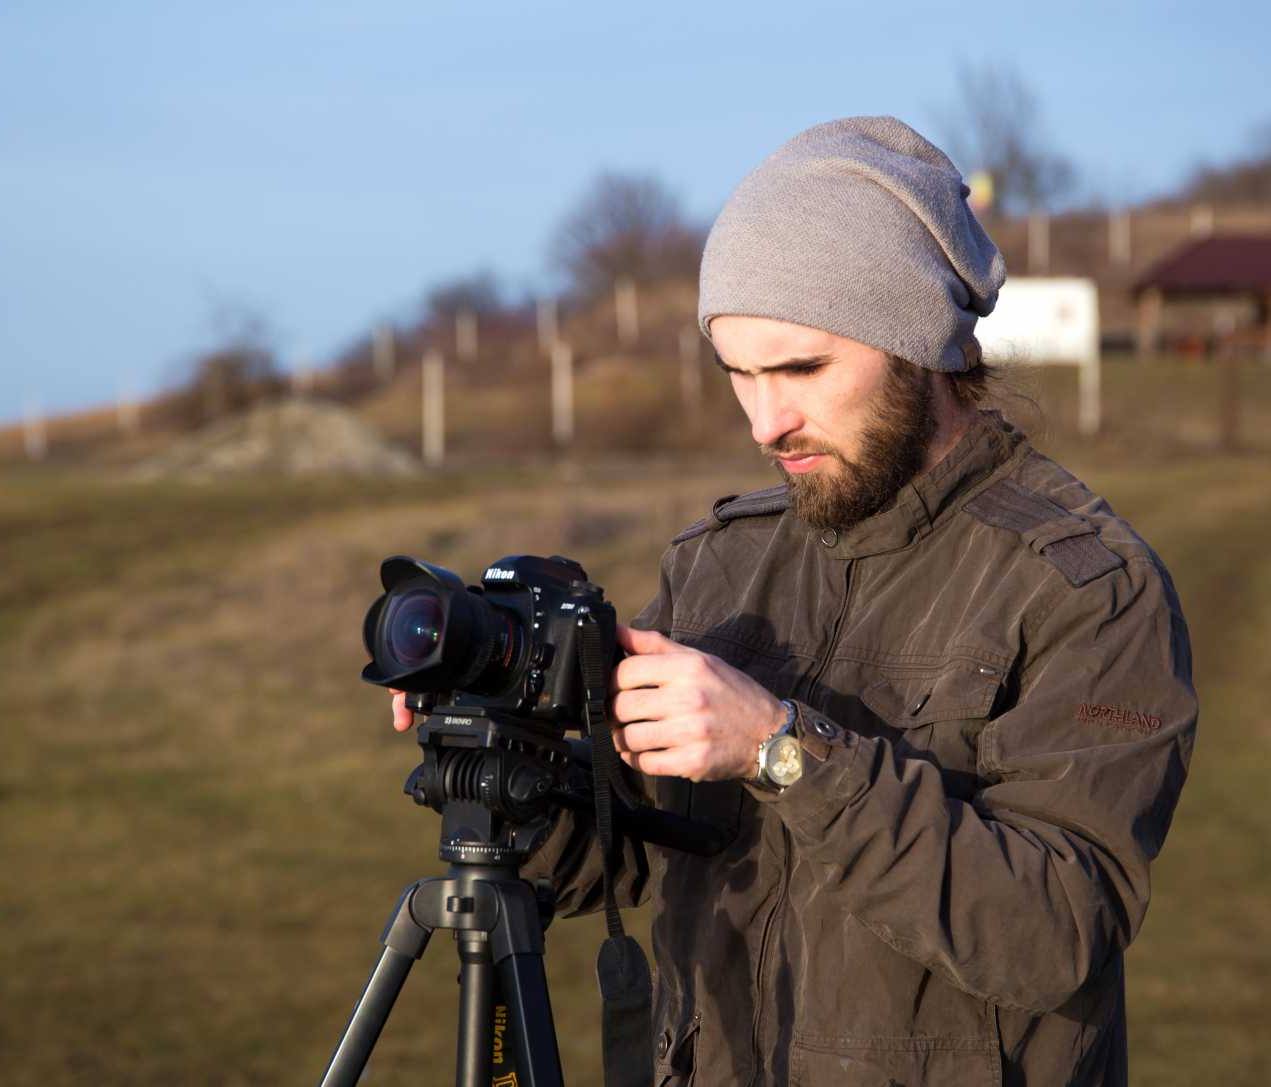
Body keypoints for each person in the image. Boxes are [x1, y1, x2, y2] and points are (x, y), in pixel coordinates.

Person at [392, 117, 1196, 1087]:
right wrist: (513, 776)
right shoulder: (722, 561)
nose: (766, 421)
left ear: (920, 342)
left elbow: (1053, 934)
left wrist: (784, 750)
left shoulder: (1084, 586)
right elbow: (638, 859)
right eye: (738, 374)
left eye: (801, 369)